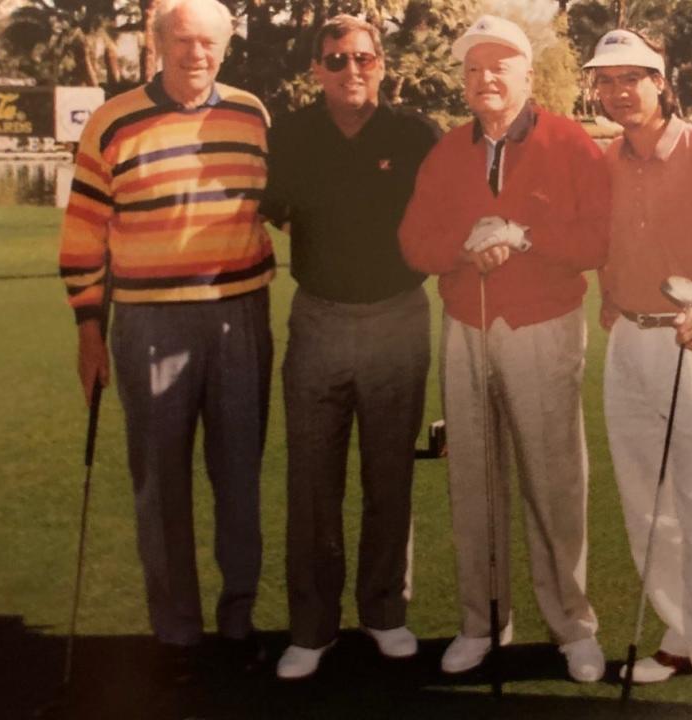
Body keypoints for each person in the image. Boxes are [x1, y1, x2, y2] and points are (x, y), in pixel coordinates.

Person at [58, 0, 274, 682]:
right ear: (157, 46)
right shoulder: (112, 120)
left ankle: (237, 623)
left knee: (239, 477)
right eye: (183, 42)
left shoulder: (252, 113)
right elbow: (84, 231)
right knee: (162, 483)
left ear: (225, 48)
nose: (197, 55)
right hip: (150, 323)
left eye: (209, 43)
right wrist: (89, 326)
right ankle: (177, 633)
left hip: (240, 315)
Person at [399, 15, 609, 682]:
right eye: (473, 69)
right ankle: (482, 623)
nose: (486, 78)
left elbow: (596, 243)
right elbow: (414, 243)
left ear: (526, 73)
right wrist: (467, 242)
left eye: (500, 66)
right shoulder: (445, 152)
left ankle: (572, 626)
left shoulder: (570, 142)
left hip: (542, 327)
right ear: (463, 80)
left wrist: (522, 232)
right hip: (466, 326)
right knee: (474, 483)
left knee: (554, 481)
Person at [584, 29, 692, 720]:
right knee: (646, 511)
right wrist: (610, 294)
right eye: (607, 80)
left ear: (662, 83)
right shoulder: (606, 160)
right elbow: (606, 240)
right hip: (629, 344)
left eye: (634, 77)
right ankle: (681, 633)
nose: (619, 90)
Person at [260, 15, 439, 680]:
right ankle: (312, 627)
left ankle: (385, 612)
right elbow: (273, 209)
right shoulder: (295, 134)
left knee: (389, 474)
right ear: (316, 70)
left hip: (398, 317)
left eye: (363, 57)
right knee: (313, 480)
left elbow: (452, 205)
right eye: (336, 59)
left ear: (382, 64)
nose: (351, 69)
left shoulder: (414, 134)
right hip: (319, 321)